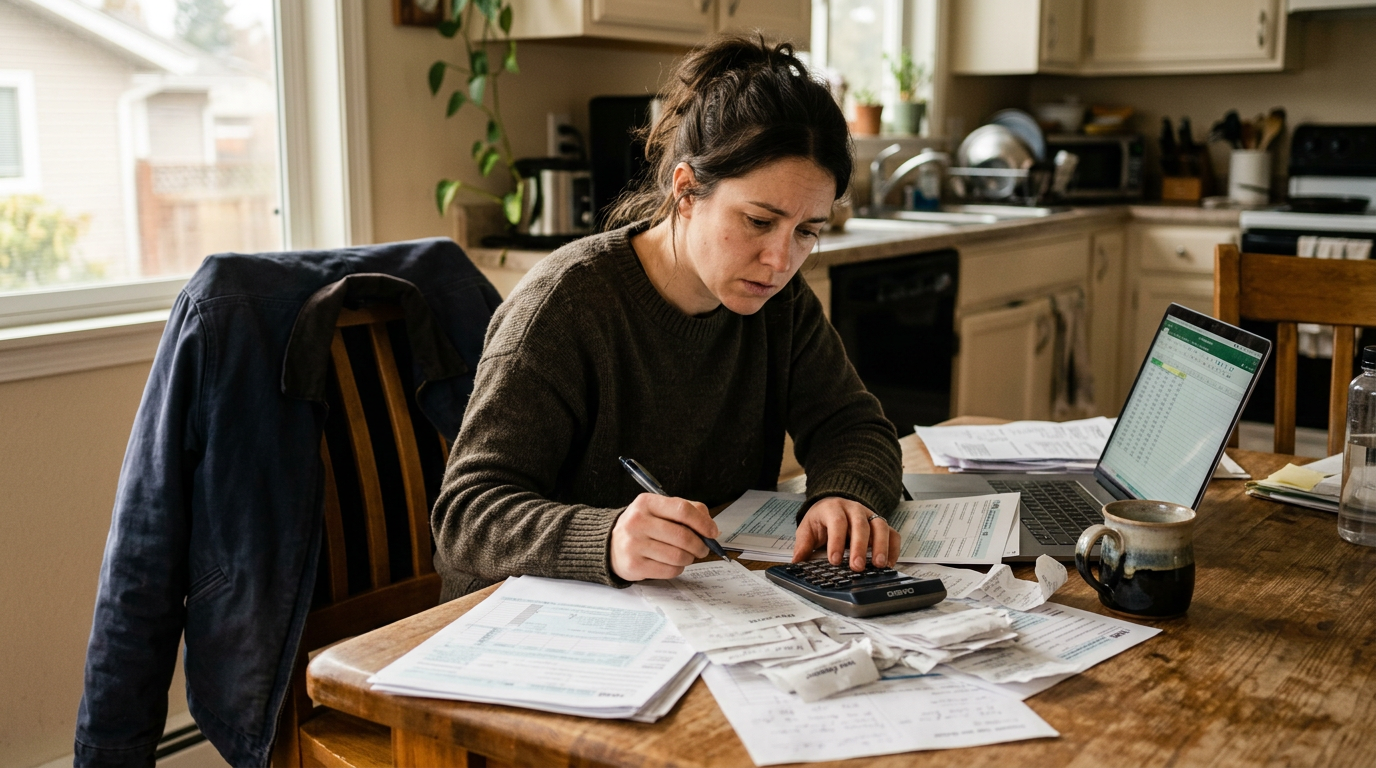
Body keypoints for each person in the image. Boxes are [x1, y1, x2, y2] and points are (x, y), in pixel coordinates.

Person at [432, 36, 903, 600]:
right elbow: (465, 516)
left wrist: (843, 495)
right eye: (758, 221)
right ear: (686, 191)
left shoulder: (781, 304)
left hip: (689, 605)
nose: (780, 261)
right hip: (521, 621)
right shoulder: (565, 306)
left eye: (807, 231)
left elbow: (853, 427)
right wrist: (605, 538)